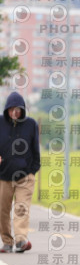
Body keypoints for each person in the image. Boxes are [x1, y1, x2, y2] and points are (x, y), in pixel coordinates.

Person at [0, 92, 40, 253]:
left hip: (25, 175)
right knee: (2, 210)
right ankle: (7, 242)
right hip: (3, 176)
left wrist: (32, 171)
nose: (14, 113)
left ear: (22, 110)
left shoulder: (31, 124)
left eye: (18, 110)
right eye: (11, 109)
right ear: (7, 109)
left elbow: (35, 149)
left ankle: (21, 240)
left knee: (21, 208)